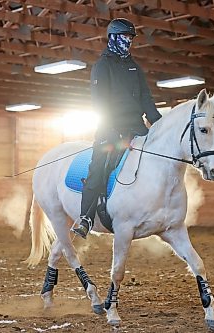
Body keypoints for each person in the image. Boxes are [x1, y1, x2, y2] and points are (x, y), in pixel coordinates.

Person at [71, 18, 162, 239]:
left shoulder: (134, 67)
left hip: (136, 126)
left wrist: (159, 125)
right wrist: (112, 130)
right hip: (109, 127)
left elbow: (146, 99)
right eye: (125, 37)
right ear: (112, 38)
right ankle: (86, 217)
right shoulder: (102, 66)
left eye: (130, 38)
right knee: (98, 168)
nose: (128, 41)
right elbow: (99, 103)